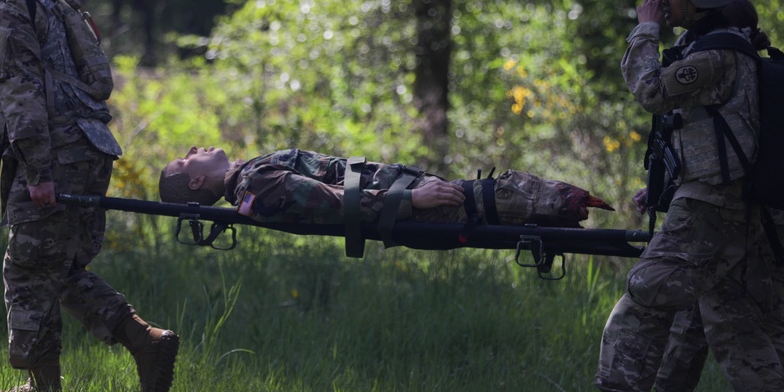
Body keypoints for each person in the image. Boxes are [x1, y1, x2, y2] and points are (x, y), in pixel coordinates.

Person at [570, 0, 784, 392]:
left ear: (694, 0)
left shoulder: (717, 54)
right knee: (734, 320)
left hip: (712, 207)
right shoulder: (715, 47)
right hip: (723, 201)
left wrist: (645, 32)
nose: (662, 4)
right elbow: (714, 136)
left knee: (647, 291)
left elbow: (651, 91)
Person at [0, 0, 179, 392]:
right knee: (59, 267)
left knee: (29, 267)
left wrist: (38, 172)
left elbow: (22, 96)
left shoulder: (10, 10)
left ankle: (47, 390)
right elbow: (96, 78)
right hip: (90, 145)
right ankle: (145, 343)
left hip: (54, 151)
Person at [643, 0, 784, 392]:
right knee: (723, 316)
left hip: (746, 216)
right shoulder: (761, 73)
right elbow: (724, 151)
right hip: (768, 213)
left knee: (733, 319)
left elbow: (729, 159)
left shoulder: (731, 67)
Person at [158, 147, 614, 227]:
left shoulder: (251, 177)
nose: (195, 147)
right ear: (197, 179)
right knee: (518, 195)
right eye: (187, 156)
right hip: (414, 207)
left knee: (530, 202)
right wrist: (410, 198)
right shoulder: (256, 185)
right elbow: (335, 205)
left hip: (411, 195)